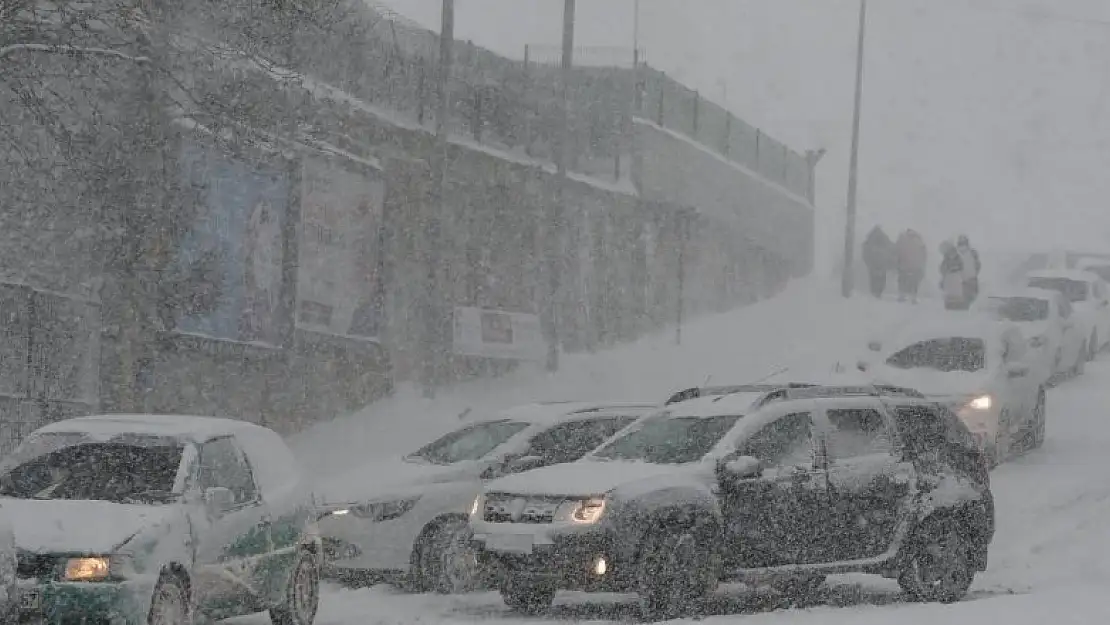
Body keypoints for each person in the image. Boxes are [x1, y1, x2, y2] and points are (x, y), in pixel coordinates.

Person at [861, 226, 895, 298]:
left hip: (873, 263)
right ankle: (879, 291)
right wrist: (890, 263)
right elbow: (891, 250)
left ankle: (874, 292)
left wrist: (867, 262)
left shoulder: (869, 240)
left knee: (873, 277)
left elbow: (865, 251)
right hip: (882, 263)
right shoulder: (885, 239)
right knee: (881, 278)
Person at [895, 229, 928, 303]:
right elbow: (924, 253)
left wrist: (898, 263)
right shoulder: (919, 240)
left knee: (902, 280)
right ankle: (914, 297)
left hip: (904, 265)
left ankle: (901, 295)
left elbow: (897, 251)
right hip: (916, 266)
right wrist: (922, 264)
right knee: (914, 282)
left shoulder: (902, 239)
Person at [939, 240, 967, 310]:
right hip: (950, 277)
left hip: (955, 276)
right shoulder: (947, 258)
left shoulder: (957, 257)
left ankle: (956, 304)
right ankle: (950, 304)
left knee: (955, 291)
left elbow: (961, 266)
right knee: (951, 291)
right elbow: (943, 267)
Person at [956, 235, 981, 305]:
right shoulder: (956, 256)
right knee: (966, 301)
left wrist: (975, 274)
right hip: (964, 281)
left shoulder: (972, 253)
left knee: (972, 300)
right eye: (960, 244)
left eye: (963, 243)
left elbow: (978, 265)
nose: (962, 246)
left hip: (971, 280)